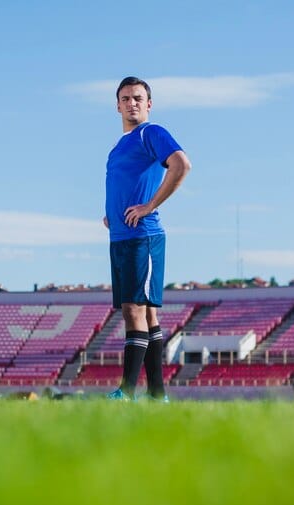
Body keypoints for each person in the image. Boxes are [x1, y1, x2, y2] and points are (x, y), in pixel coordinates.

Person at [104, 76, 191, 402]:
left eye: (138, 98)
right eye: (125, 99)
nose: (132, 103)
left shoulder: (151, 133)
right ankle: (157, 396)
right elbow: (126, 182)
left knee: (134, 311)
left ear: (149, 104)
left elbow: (181, 165)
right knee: (148, 314)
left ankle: (126, 392)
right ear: (117, 106)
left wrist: (149, 206)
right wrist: (109, 212)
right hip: (121, 237)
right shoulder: (118, 147)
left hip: (144, 236)